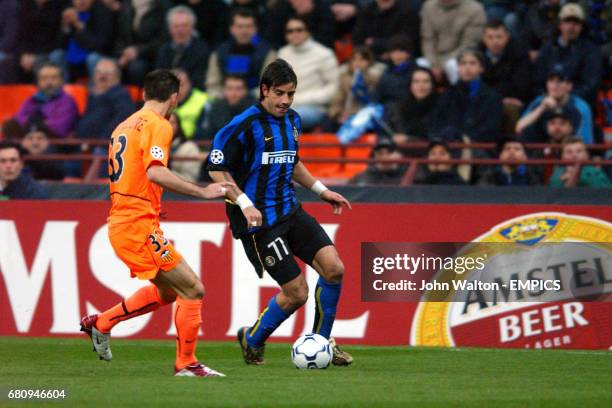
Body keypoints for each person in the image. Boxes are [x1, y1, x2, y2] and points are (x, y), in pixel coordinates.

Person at [79, 69, 232, 377]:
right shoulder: (159, 124)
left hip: (127, 219)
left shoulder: (123, 126)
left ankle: (103, 322)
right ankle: (186, 363)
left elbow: (135, 174)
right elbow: (155, 171)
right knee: (193, 289)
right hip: (136, 224)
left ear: (144, 94)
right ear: (174, 98)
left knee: (169, 292)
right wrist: (203, 191)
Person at [207, 59, 354, 366]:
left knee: (334, 269)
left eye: (291, 94)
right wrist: (245, 204)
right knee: (297, 292)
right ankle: (252, 338)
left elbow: (292, 161)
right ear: (265, 90)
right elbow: (216, 169)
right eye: (280, 93)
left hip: (290, 211)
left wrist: (321, 191)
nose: (286, 100)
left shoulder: (293, 120)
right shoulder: (243, 126)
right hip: (260, 224)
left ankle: (322, 343)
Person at [277, 16, 340, 130]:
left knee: (287, 118)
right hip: (285, 105)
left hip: (315, 108)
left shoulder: (324, 54)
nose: (294, 34)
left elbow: (334, 88)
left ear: (308, 32)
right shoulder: (282, 53)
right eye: (290, 31)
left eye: (299, 30)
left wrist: (302, 99)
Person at [534, 3, 602, 106]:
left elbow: (590, 85)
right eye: (567, 21)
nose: (571, 26)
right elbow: (537, 81)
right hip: (547, 100)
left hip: (577, 102)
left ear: (582, 27)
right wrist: (549, 96)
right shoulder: (547, 49)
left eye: (576, 22)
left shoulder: (591, 51)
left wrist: (565, 98)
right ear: (560, 25)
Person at [430, 49, 503, 144]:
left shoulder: (492, 97)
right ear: (458, 68)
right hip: (448, 146)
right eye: (463, 63)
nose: (467, 68)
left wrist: (464, 138)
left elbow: (491, 129)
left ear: (481, 68)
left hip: (478, 148)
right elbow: (437, 123)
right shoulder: (447, 95)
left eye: (472, 63)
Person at [205, 8, 276, 98]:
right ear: (231, 29)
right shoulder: (219, 52)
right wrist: (226, 96)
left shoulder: (268, 52)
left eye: (248, 26)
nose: (244, 30)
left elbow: (269, 86)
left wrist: (246, 97)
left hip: (255, 101)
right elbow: (212, 84)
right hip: (224, 100)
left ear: (255, 29)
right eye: (239, 26)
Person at [516, 64, 593, 144]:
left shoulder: (581, 107)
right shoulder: (539, 102)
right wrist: (542, 108)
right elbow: (519, 129)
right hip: (543, 151)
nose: (555, 85)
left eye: (560, 81)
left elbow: (585, 142)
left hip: (570, 152)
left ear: (569, 86)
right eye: (551, 80)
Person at [420, 0, 486, 84]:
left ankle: (461, 92)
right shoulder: (429, 6)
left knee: (452, 65)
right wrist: (434, 63)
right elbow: (428, 39)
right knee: (420, 64)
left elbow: (469, 43)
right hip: (435, 57)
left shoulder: (474, 9)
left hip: (459, 55)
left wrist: (442, 64)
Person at [49, 0, 115, 81]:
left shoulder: (102, 12)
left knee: (93, 58)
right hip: (72, 59)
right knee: (56, 55)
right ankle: (62, 91)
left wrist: (78, 25)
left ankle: (96, 92)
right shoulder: (69, 12)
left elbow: (99, 46)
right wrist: (65, 25)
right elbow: (59, 45)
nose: (81, 1)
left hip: (98, 56)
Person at [12, 62, 79, 139]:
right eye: (44, 78)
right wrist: (40, 123)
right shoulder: (31, 100)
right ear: (38, 82)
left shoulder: (67, 101)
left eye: (54, 78)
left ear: (62, 81)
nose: (49, 82)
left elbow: (60, 128)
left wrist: (35, 124)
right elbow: (19, 118)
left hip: (54, 143)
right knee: (9, 125)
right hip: (29, 139)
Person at [75, 58, 136, 140]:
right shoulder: (91, 95)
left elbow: (120, 123)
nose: (102, 76)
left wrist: (99, 143)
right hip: (82, 144)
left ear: (117, 77)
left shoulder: (121, 96)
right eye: (99, 72)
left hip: (102, 147)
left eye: (108, 74)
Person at [113, 0, 171, 86]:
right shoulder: (127, 5)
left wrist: (138, 51)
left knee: (136, 68)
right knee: (106, 64)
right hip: (126, 52)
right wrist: (124, 53)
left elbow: (162, 40)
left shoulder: (163, 7)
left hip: (149, 55)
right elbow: (119, 34)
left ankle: (138, 97)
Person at [328, 47, 386, 130]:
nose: (358, 63)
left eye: (362, 60)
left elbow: (375, 100)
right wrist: (337, 114)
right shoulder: (344, 78)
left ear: (369, 62)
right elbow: (337, 100)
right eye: (354, 60)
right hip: (346, 114)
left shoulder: (376, 79)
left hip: (365, 114)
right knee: (329, 125)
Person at [155, 5, 210, 88]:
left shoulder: (202, 51)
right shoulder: (163, 49)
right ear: (169, 28)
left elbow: (200, 81)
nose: (180, 30)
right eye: (176, 26)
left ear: (192, 27)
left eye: (184, 26)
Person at [384, 67, 437, 145]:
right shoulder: (396, 108)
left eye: (426, 81)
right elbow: (386, 136)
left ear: (432, 85)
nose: (421, 86)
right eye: (416, 81)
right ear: (410, 85)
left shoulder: (441, 107)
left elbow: (436, 137)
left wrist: (409, 139)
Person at [351, 0, 421, 58]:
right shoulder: (366, 11)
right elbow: (357, 39)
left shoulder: (408, 12)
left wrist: (375, 43)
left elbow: (407, 42)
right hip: (369, 58)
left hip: (397, 59)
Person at [202, 74, 257, 139]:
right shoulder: (216, 107)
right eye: (229, 88)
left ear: (245, 90)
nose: (233, 93)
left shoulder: (255, 109)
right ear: (224, 90)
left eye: (238, 89)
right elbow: (208, 134)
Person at [173, 68, 211, 140]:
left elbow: (205, 130)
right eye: (173, 86)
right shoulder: (161, 100)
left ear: (189, 84)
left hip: (194, 143)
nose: (177, 89)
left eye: (181, 85)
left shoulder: (203, 100)